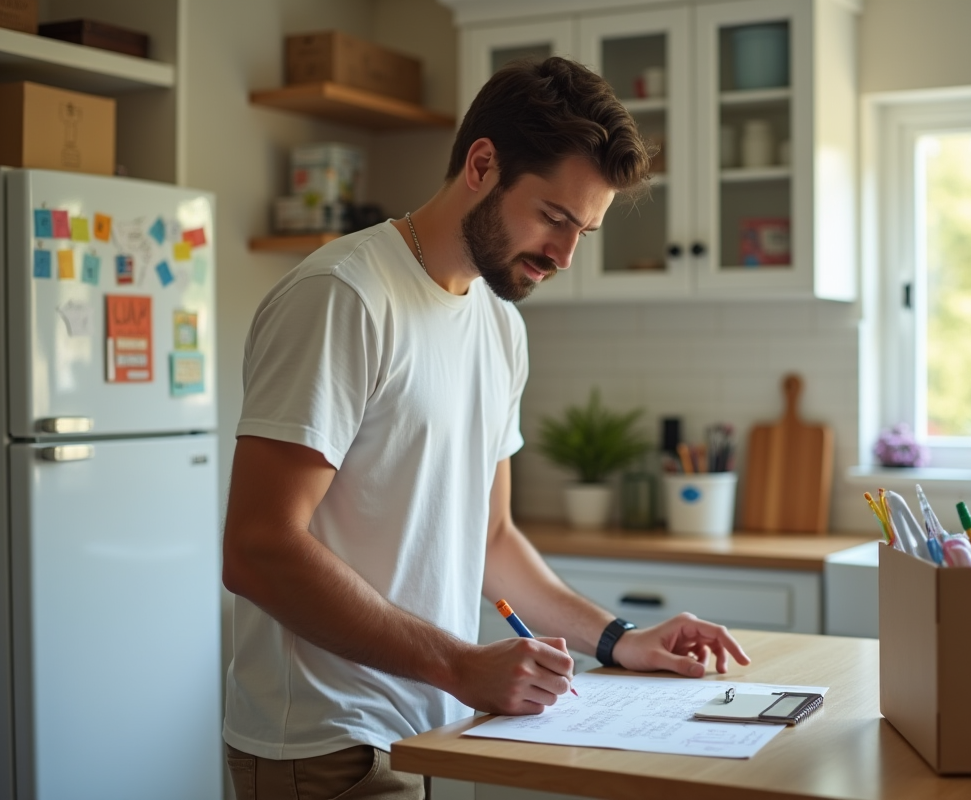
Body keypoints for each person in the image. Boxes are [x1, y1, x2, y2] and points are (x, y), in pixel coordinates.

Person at [221, 56, 751, 800]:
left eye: (584, 232)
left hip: (439, 731)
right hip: (330, 745)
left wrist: (617, 639)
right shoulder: (344, 298)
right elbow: (257, 548)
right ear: (481, 165)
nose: (565, 255)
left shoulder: (499, 326)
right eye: (555, 218)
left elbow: (491, 541)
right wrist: (460, 665)